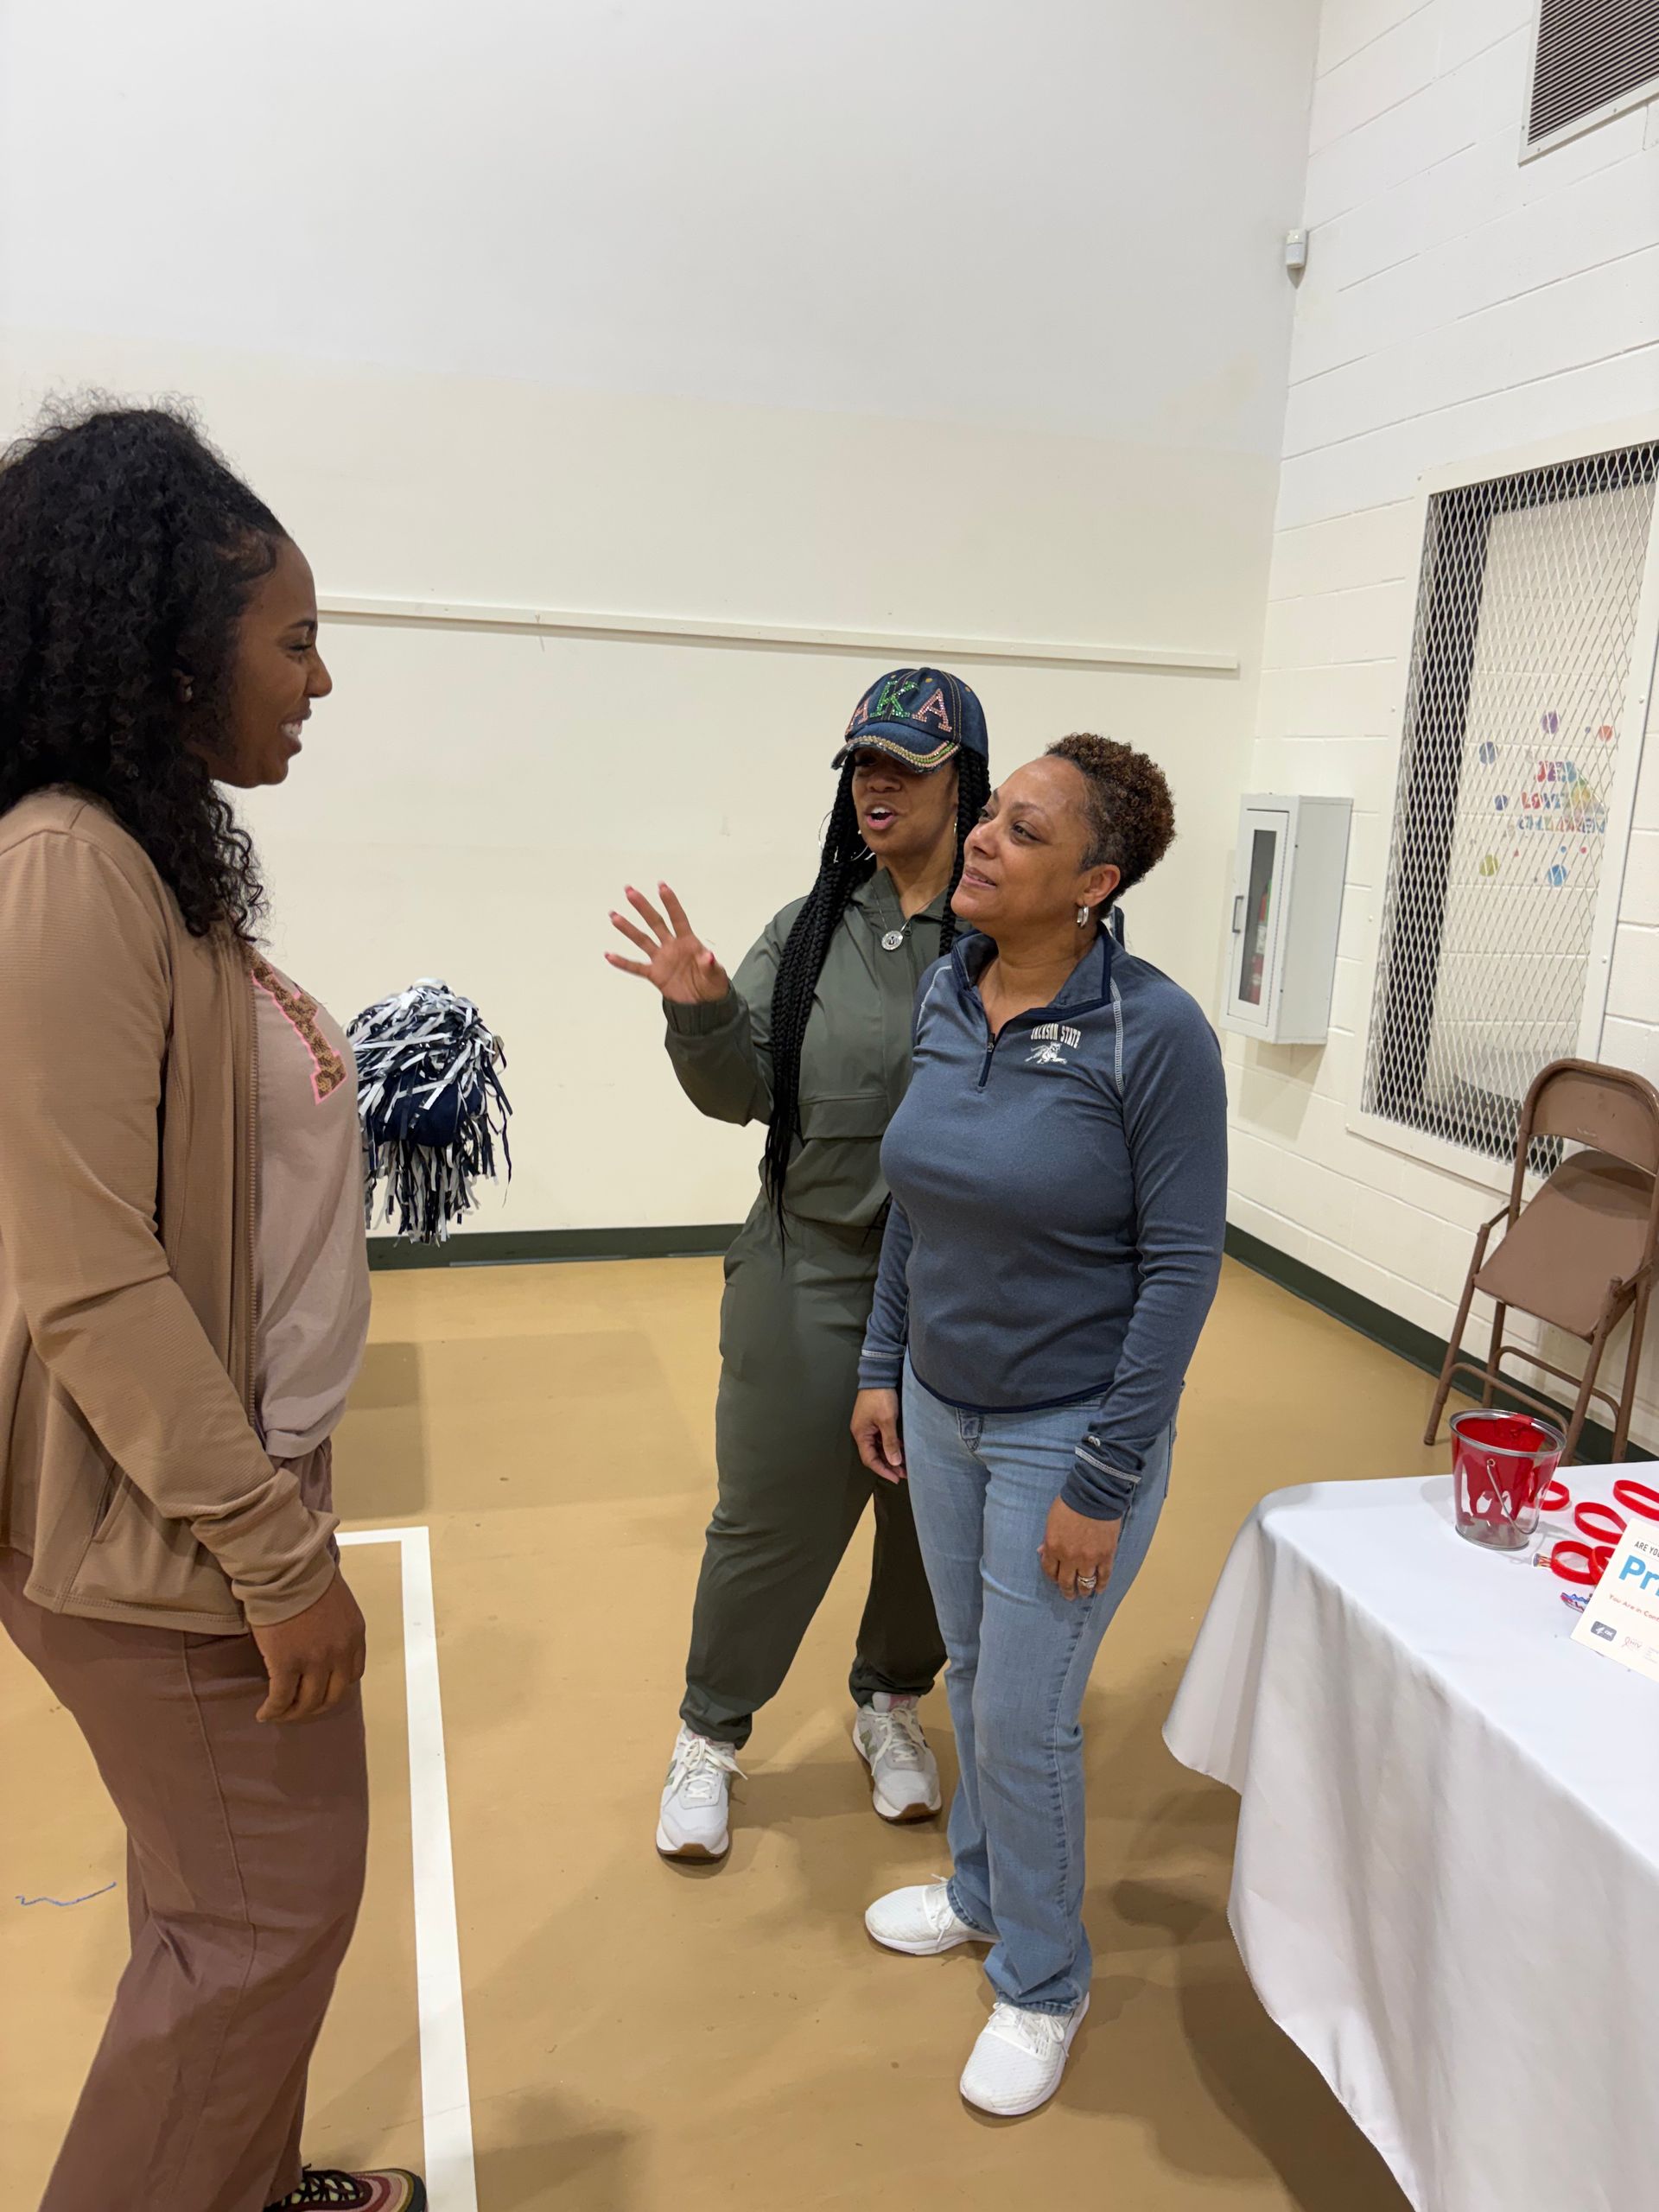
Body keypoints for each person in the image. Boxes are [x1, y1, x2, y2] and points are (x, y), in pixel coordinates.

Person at [0, 404, 423, 2212]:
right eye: (296, 636)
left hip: (225, 1486)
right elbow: (86, 1268)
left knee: (235, 1907)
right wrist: (269, 1547)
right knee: (255, 1917)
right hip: (162, 1520)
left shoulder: (158, 857)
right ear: (174, 642)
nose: (320, 677)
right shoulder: (69, 863)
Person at [850, 734, 1226, 2117]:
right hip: (943, 1413)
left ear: (1096, 882)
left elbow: (1183, 1268)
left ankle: (1045, 1980)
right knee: (965, 1669)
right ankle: (976, 1891)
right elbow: (921, 1196)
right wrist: (885, 1357)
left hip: (1067, 1435)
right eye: (991, 821)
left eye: (1023, 829)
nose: (986, 843)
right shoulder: (952, 993)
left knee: (1024, 1715)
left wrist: (1104, 1475)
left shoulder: (1155, 1033)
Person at [607, 670, 992, 1861]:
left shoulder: (1006, 936)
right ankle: (710, 1735)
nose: (875, 787)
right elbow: (738, 1098)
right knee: (767, 1517)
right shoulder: (814, 928)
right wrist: (703, 1016)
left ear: (960, 780)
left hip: (959, 1290)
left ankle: (889, 1702)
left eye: (901, 766)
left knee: (936, 1521)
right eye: (860, 768)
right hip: (810, 1268)